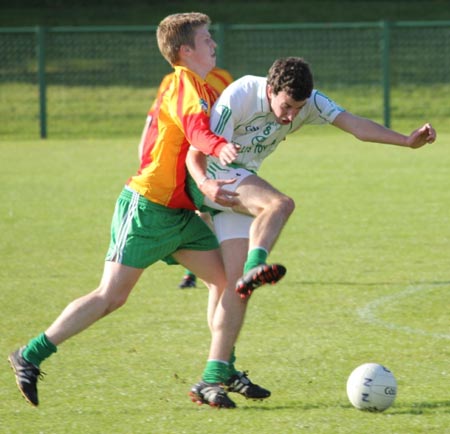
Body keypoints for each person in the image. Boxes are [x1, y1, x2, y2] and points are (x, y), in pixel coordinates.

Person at [8, 12, 264, 411]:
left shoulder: (203, 84)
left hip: (180, 215)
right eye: (206, 38)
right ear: (185, 50)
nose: (213, 43)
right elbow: (196, 130)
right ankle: (31, 354)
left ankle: (222, 368)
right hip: (147, 209)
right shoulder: (182, 84)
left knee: (227, 282)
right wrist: (217, 147)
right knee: (111, 296)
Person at [186, 56, 436, 398]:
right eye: (286, 106)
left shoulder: (310, 101)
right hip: (215, 179)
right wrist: (203, 183)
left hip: (240, 184)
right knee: (280, 204)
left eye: (298, 108)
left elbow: (356, 126)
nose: (291, 116)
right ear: (270, 89)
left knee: (236, 288)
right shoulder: (241, 93)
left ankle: (212, 377)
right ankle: (254, 267)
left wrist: (406, 141)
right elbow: (196, 149)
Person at [137, 67, 234, 289]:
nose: (212, 46)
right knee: (199, 215)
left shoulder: (222, 78)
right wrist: (143, 151)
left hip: (209, 156)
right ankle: (200, 272)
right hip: (180, 160)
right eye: (205, 40)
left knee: (207, 215)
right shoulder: (172, 81)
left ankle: (203, 272)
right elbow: (153, 118)